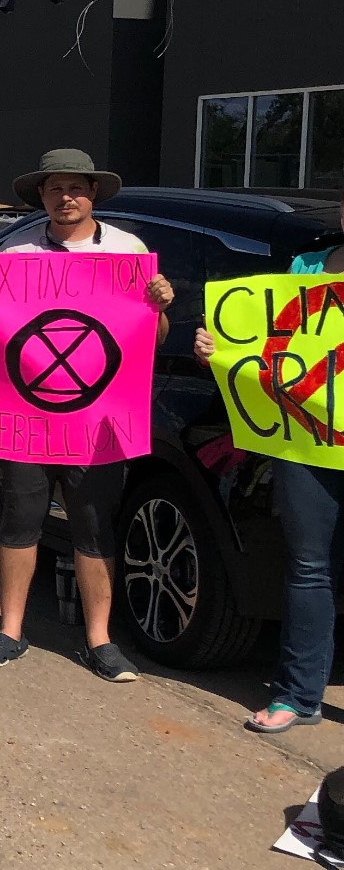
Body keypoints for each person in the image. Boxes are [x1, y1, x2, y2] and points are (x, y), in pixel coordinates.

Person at [0, 148, 172, 682]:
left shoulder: (128, 252)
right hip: (26, 420)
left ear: (93, 192)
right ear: (42, 196)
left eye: (75, 187)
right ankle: (9, 630)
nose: (66, 197)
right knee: (18, 522)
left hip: (99, 420)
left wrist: (159, 308)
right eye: (54, 188)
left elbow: (151, 341)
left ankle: (100, 641)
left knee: (95, 529)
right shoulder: (15, 252)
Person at [193, 190, 341, 726]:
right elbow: (269, 348)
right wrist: (218, 351)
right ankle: (299, 697)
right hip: (307, 441)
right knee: (308, 567)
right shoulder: (307, 267)